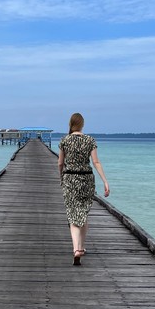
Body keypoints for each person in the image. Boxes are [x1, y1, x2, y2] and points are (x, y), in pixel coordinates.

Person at [58, 112, 110, 265]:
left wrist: (61, 177)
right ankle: (81, 247)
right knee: (83, 212)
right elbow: (96, 162)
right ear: (82, 124)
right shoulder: (90, 140)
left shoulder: (64, 140)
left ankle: (76, 249)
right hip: (87, 179)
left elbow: (60, 163)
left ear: (70, 124)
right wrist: (105, 181)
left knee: (73, 214)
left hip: (70, 179)